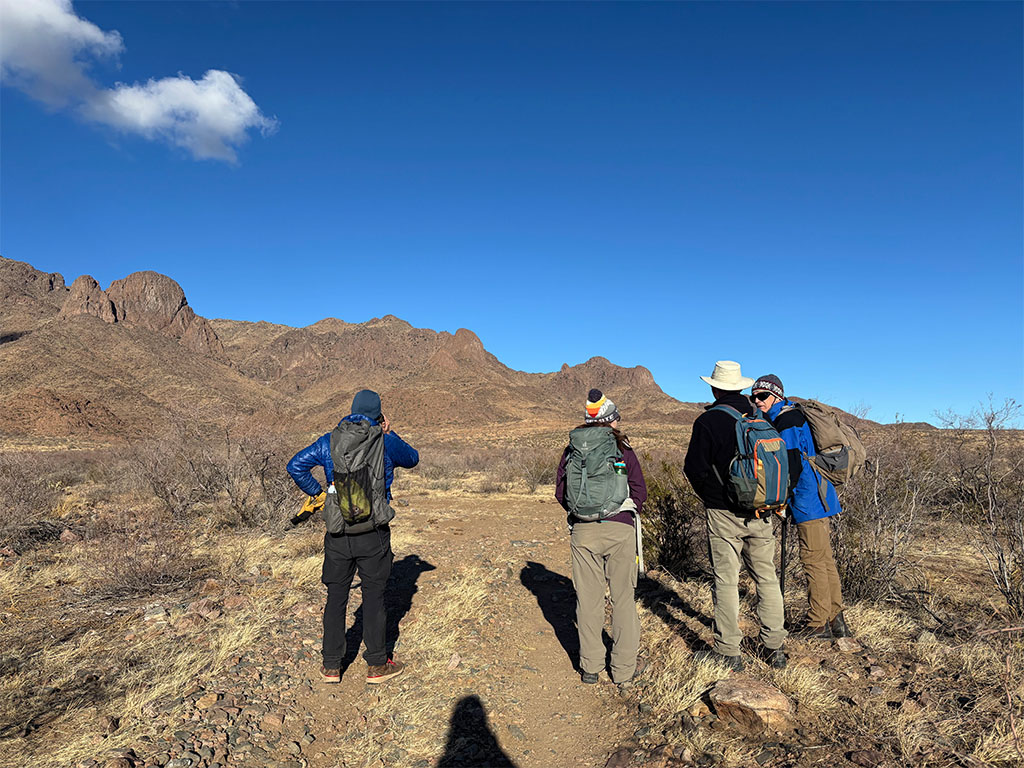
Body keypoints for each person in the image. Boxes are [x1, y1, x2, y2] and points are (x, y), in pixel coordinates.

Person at [286, 389, 419, 684]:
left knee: (336, 597)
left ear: (352, 411)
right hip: (374, 532)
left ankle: (332, 666)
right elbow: (413, 458)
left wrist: (320, 494)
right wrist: (390, 431)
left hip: (338, 531)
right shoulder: (385, 440)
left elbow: (295, 465)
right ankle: (376, 666)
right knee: (374, 597)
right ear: (379, 415)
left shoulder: (329, 440)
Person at [683, 361, 787, 671]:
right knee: (766, 578)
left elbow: (694, 469)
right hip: (761, 510)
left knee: (726, 581)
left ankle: (728, 650)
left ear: (714, 387)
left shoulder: (708, 422)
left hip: (723, 512)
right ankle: (774, 647)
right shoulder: (758, 416)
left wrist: (714, 497)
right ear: (741, 386)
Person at [555, 389, 647, 688]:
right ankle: (623, 671)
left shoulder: (572, 449)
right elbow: (639, 490)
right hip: (620, 528)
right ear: (610, 421)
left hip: (583, 531)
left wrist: (583, 513)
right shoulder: (622, 448)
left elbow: (561, 492)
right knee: (623, 598)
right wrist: (623, 512)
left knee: (589, 599)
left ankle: (591, 667)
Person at [751, 374, 851, 639]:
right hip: (820, 493)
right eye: (754, 396)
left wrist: (782, 500)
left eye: (762, 396)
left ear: (777, 395)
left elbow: (792, 463)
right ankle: (836, 619)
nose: (757, 401)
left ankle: (818, 624)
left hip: (808, 497)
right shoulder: (792, 414)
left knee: (813, 560)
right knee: (824, 558)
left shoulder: (787, 420)